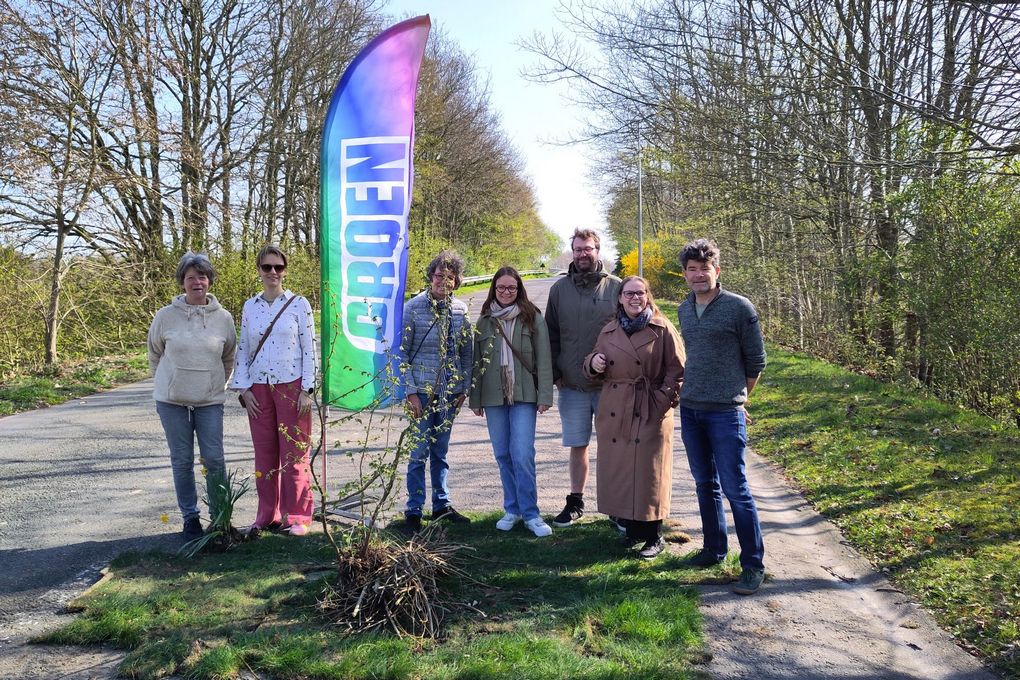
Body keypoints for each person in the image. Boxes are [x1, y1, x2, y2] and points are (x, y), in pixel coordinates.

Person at [676, 238, 767, 594]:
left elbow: (756, 362)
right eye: (692, 269)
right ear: (685, 274)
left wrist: (739, 399)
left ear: (717, 270)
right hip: (691, 409)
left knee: (735, 489)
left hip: (725, 413)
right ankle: (714, 550)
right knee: (705, 484)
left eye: (705, 268)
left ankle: (752, 565)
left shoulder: (739, 308)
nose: (699, 275)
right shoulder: (685, 309)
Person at [583, 276, 684, 558]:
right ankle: (630, 529)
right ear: (620, 298)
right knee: (622, 471)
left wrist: (661, 402)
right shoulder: (609, 330)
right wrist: (593, 363)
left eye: (640, 293)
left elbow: (678, 371)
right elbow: (591, 363)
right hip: (616, 409)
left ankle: (653, 535)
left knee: (649, 473)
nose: (635, 298)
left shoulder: (662, 328)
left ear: (648, 296)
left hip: (650, 408)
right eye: (629, 293)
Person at [148, 252, 237, 541]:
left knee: (214, 459)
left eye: (202, 276)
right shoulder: (165, 316)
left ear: (209, 281)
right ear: (182, 282)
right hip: (172, 403)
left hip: (209, 402)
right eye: (190, 277)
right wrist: (168, 383)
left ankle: (220, 519)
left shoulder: (223, 318)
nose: (196, 282)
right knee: (182, 460)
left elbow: (228, 357)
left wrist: (215, 384)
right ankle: (190, 518)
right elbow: (154, 354)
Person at [233, 245, 318, 536]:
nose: (272, 272)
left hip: (291, 386)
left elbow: (309, 349)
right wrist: (244, 388)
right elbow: (244, 348)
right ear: (258, 270)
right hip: (259, 388)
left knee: (294, 454)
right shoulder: (250, 306)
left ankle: (298, 516)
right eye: (267, 267)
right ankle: (268, 514)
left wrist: (307, 389)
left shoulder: (299, 304)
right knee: (264, 454)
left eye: (278, 267)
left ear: (285, 271)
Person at [469, 267, 555, 538]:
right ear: (494, 289)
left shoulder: (532, 317)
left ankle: (531, 514)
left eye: (511, 288)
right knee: (502, 454)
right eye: (501, 287)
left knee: (522, 453)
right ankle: (512, 509)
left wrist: (545, 396)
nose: (506, 292)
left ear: (519, 289)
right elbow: (477, 363)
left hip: (524, 395)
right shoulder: (484, 321)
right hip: (493, 397)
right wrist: (475, 399)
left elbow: (544, 359)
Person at [545, 228, 622, 527]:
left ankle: (616, 506)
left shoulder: (616, 288)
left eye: (588, 249)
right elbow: (550, 334)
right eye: (578, 249)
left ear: (597, 251)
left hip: (610, 386)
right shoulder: (559, 290)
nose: (582, 254)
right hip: (572, 386)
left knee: (612, 446)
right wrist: (555, 373)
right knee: (578, 445)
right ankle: (575, 501)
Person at [400, 250, 474, 532]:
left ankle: (441, 505)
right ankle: (414, 510)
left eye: (450, 277)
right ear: (431, 277)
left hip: (449, 394)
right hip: (421, 393)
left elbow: (467, 353)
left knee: (440, 453)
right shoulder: (414, 308)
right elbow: (402, 353)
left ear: (457, 281)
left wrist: (463, 388)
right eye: (440, 275)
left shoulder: (460, 311)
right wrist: (410, 392)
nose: (444, 281)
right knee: (418, 453)